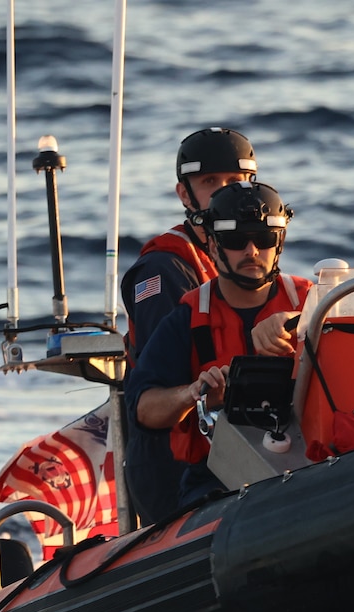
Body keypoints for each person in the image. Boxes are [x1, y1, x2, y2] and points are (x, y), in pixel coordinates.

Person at [124, 180, 312, 511]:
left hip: (310, 465)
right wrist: (194, 393)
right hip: (217, 478)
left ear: (279, 242)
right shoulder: (188, 317)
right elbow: (144, 408)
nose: (252, 251)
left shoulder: (311, 302)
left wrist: (298, 321)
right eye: (236, 240)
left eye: (264, 239)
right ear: (212, 246)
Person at [120, 128, 259, 524]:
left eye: (234, 182)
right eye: (209, 182)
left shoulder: (252, 258)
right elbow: (157, 380)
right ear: (185, 194)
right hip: (179, 465)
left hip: (240, 446)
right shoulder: (162, 271)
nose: (223, 192)